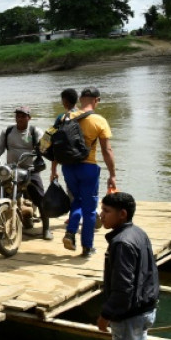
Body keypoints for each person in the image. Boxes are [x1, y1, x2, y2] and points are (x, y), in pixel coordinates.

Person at [97, 192, 159, 340]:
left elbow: (123, 287)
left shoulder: (121, 243)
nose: (101, 215)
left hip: (129, 314)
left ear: (122, 214)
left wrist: (105, 315)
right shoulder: (139, 232)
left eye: (106, 211)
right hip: (147, 308)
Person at [59, 87, 116, 258]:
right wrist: (112, 174)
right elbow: (107, 150)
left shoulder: (65, 117)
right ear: (96, 100)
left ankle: (70, 232)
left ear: (81, 98)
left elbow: (55, 144)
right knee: (90, 209)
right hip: (88, 167)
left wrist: (54, 168)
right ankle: (87, 247)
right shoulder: (99, 121)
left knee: (77, 200)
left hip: (68, 167)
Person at [0, 106, 51, 240]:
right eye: (18, 116)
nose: (20, 118)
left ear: (29, 118)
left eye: (23, 116)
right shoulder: (7, 131)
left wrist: (44, 147)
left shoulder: (34, 131)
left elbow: (44, 146)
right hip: (11, 169)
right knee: (2, 197)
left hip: (29, 169)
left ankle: (46, 228)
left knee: (41, 199)